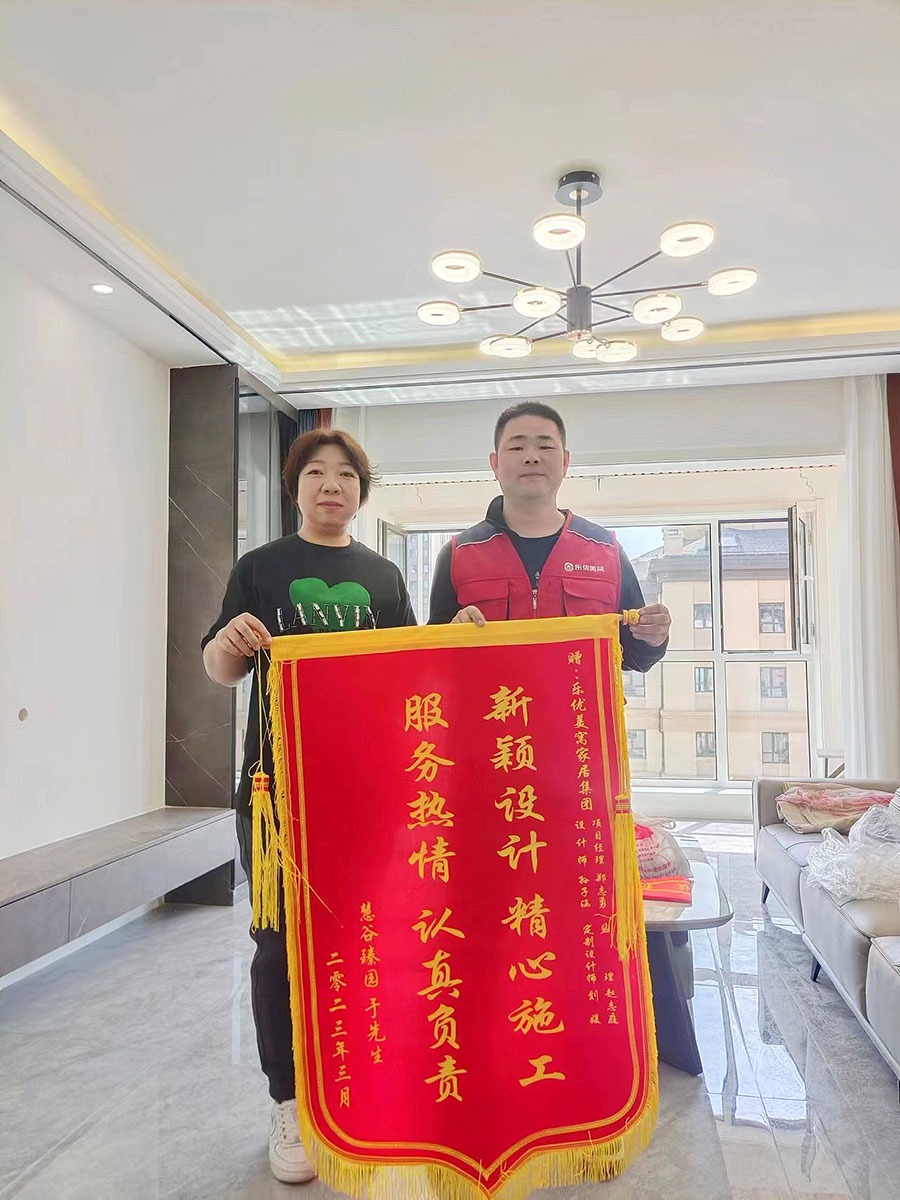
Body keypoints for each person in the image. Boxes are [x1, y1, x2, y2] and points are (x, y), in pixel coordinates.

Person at [202, 429, 415, 1185]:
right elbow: (219, 667)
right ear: (295, 488)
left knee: (363, 937)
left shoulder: (383, 576)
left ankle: (358, 1086)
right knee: (278, 945)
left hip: (363, 790)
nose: (331, 484)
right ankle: (288, 1102)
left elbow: (409, 674)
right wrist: (232, 639)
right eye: (316, 472)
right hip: (275, 794)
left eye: (346, 474)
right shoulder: (260, 568)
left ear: (362, 490)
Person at [428, 400, 671, 671]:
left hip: (578, 700)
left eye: (545, 447)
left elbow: (634, 657)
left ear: (565, 462)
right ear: (495, 464)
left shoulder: (607, 551)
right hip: (495, 699)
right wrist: (451, 635)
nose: (532, 457)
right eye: (517, 447)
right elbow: (431, 662)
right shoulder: (458, 554)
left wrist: (654, 637)